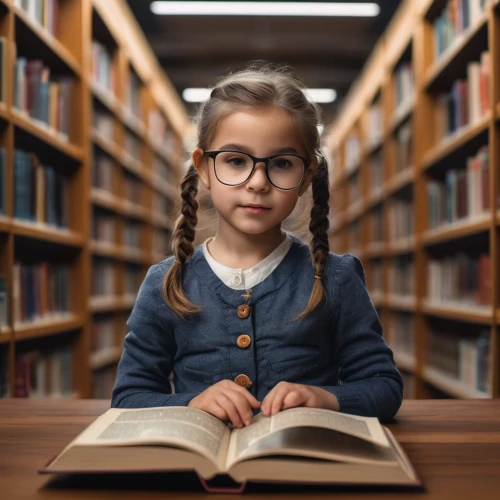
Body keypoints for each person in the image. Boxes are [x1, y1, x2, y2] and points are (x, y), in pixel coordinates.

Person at [111, 63, 403, 427]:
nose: (258, 182)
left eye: (281, 163)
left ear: (306, 175)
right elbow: (128, 397)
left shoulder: (336, 278)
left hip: (304, 468)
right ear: (202, 167)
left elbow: (384, 387)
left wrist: (325, 397)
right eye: (236, 161)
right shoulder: (165, 284)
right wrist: (192, 403)